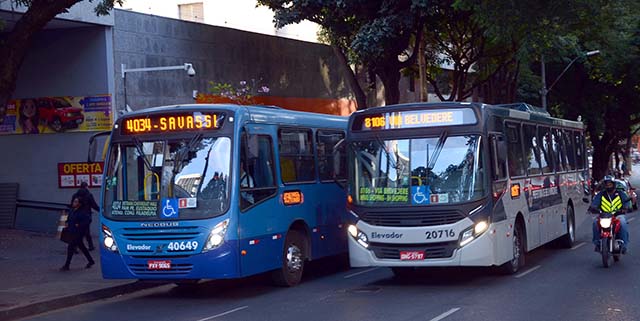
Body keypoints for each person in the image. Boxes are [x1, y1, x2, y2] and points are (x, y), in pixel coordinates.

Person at [589, 175, 632, 253]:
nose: (608, 186)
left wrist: (625, 208)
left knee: (622, 222)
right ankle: (597, 243)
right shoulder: (601, 194)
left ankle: (624, 245)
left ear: (614, 184)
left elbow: (627, 201)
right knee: (595, 223)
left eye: (610, 184)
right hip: (604, 215)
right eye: (607, 184)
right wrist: (593, 207)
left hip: (617, 215)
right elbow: (595, 203)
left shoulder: (620, 193)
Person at [60, 197, 95, 271]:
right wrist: (66, 223)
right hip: (72, 231)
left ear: (79, 204)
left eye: (76, 202)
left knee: (70, 247)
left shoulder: (83, 212)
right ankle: (91, 261)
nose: (74, 203)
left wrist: (79, 224)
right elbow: (69, 218)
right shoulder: (72, 210)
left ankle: (67, 265)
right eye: (74, 201)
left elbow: (88, 220)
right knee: (82, 247)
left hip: (79, 232)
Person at [71, 182, 99, 251]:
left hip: (77, 215)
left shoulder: (75, 195)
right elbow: (93, 205)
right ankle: (90, 246)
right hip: (86, 215)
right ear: (86, 187)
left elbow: (72, 205)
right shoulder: (89, 195)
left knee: (77, 231)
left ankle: (75, 246)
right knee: (86, 231)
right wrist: (100, 210)